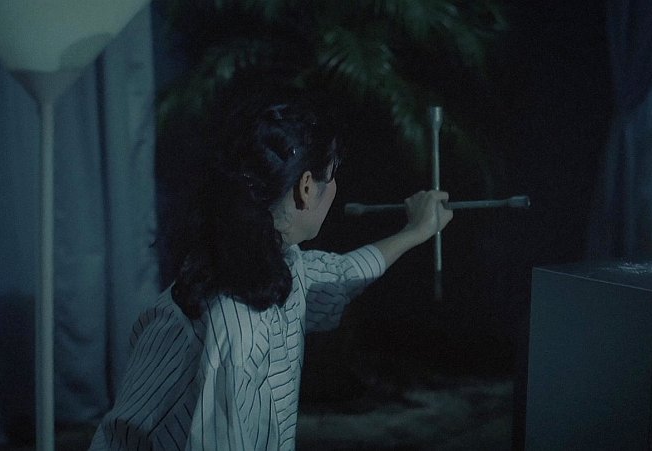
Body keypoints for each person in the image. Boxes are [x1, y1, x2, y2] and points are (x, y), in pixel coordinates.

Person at [89, 98, 453, 450]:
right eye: (331, 176)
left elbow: (338, 275)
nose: (335, 189)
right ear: (306, 187)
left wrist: (415, 231)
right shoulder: (235, 320)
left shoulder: (274, 261)